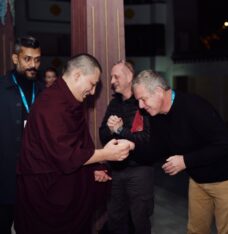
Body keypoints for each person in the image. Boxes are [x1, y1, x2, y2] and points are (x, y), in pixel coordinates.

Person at [14, 53, 135, 234]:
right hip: (44, 192)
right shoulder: (51, 103)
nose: (93, 92)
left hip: (64, 184)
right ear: (77, 75)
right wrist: (105, 154)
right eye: (92, 84)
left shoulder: (70, 101)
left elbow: (79, 145)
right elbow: (65, 155)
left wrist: (93, 168)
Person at [132, 70, 228, 234]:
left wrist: (185, 161)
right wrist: (129, 149)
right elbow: (155, 149)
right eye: (138, 101)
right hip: (199, 179)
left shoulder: (194, 107)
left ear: (158, 91)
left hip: (227, 178)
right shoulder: (156, 114)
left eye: (143, 99)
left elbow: (225, 145)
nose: (140, 106)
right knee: (195, 231)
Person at [99, 60, 153, 234]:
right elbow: (103, 134)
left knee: (140, 220)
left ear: (129, 77)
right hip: (116, 171)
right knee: (115, 219)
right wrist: (111, 129)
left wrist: (120, 130)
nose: (112, 81)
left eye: (116, 76)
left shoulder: (142, 103)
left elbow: (145, 139)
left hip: (139, 171)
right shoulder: (114, 103)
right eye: (111, 77)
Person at [0, 35, 42, 234]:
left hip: (34, 180)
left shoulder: (44, 92)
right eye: (27, 59)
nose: (33, 64)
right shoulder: (1, 88)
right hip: (4, 178)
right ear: (15, 59)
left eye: (37, 59)